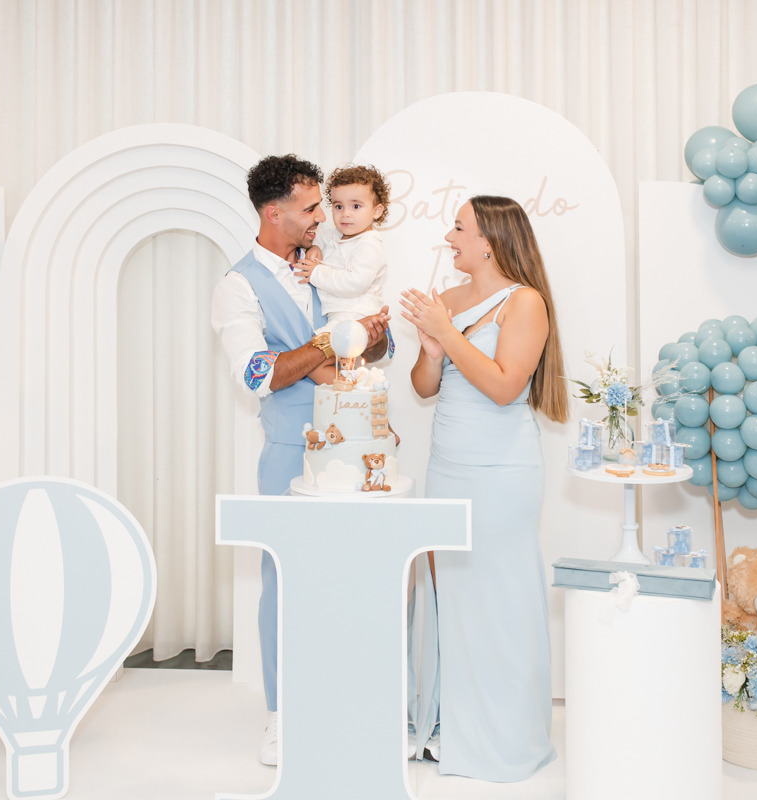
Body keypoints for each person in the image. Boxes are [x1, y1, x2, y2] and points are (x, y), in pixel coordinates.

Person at [211, 154, 390, 766]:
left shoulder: (330, 264)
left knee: (356, 579)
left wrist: (369, 335)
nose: (323, 218)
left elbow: (372, 349)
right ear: (273, 213)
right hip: (292, 453)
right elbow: (259, 374)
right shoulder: (237, 286)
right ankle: (283, 714)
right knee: (285, 582)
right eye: (311, 208)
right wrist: (326, 346)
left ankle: (350, 703)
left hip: (360, 444)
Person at [399, 195, 568, 781]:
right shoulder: (448, 302)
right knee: (449, 596)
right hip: (447, 467)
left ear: (489, 241)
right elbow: (425, 388)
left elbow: (503, 387)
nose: (450, 237)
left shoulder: (525, 302)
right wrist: (431, 349)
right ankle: (445, 725)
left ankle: (501, 737)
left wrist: (447, 333)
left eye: (459, 227)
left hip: (501, 474)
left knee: (498, 601)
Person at [293, 164, 391, 328]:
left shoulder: (368, 244)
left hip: (357, 314)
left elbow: (355, 283)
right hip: (337, 313)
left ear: (376, 211)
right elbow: (320, 240)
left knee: (321, 341)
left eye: (356, 206)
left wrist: (317, 273)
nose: (345, 214)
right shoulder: (335, 234)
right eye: (338, 206)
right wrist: (314, 248)